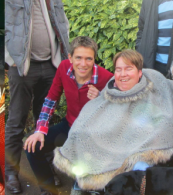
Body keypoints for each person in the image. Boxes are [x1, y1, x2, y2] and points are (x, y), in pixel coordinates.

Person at [54, 50, 173, 192]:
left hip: (134, 156)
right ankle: (82, 182)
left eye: (128, 69)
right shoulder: (108, 92)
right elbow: (89, 117)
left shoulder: (151, 96)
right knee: (81, 136)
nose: (123, 74)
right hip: (103, 146)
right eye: (118, 70)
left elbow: (163, 121)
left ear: (139, 73)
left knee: (140, 169)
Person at [4, 0, 69, 193]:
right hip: (21, 68)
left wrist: (63, 59)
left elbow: (61, 26)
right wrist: (11, 58)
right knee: (16, 120)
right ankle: (11, 171)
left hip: (49, 67)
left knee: (44, 121)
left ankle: (42, 168)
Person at [24, 36, 113, 195]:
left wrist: (101, 97)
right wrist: (40, 130)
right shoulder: (64, 68)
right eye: (78, 58)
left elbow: (116, 111)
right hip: (70, 124)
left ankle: (86, 184)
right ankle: (48, 190)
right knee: (32, 147)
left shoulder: (106, 78)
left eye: (88, 59)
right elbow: (51, 99)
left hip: (93, 132)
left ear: (94, 59)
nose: (83, 64)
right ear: (70, 58)